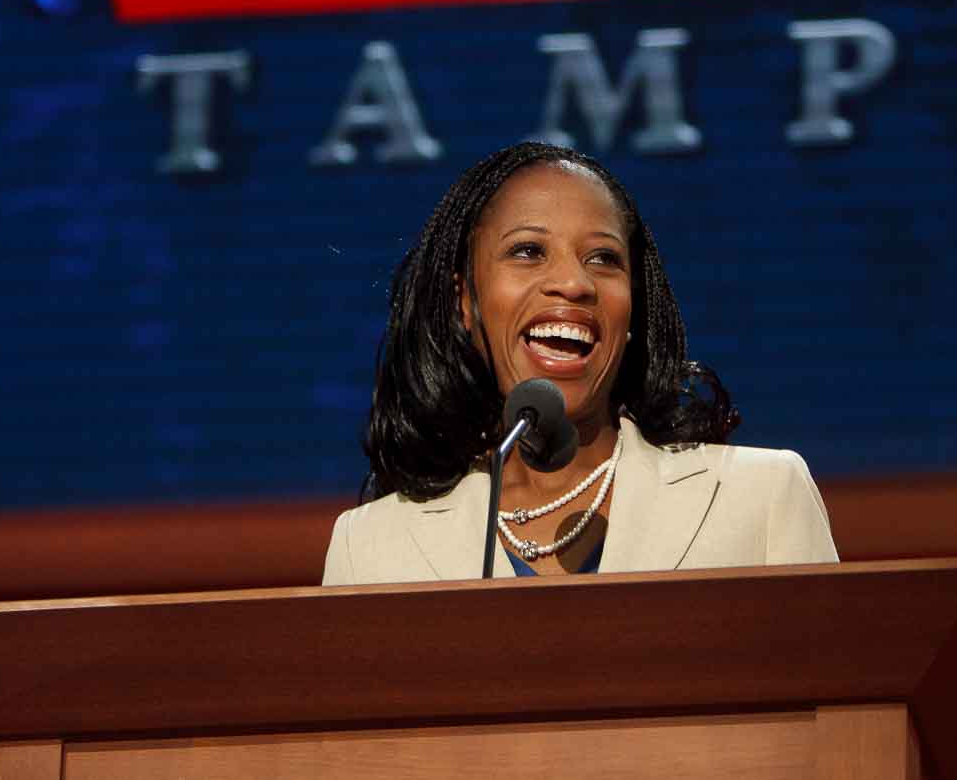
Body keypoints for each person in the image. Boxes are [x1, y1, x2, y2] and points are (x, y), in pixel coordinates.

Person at [322, 141, 837, 584]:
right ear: (466, 304)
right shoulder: (369, 549)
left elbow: (841, 697)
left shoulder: (762, 499)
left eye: (603, 258)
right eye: (527, 251)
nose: (574, 283)